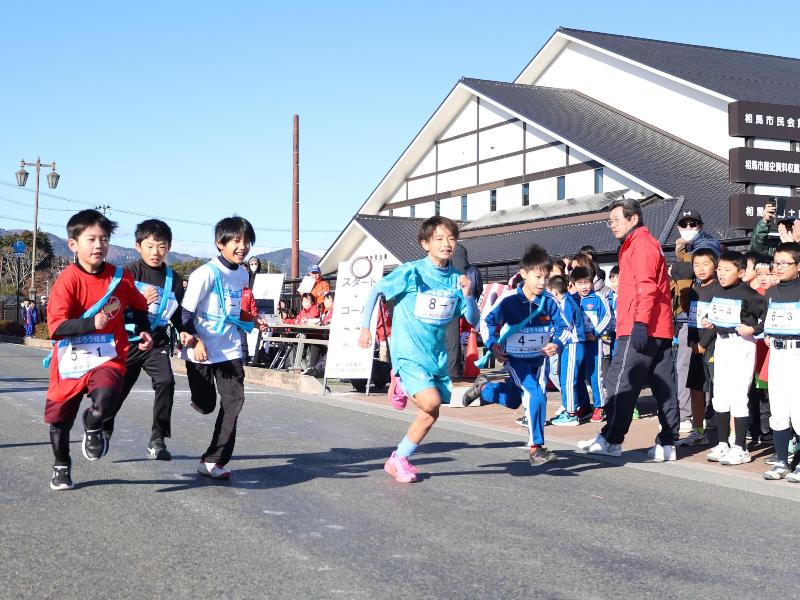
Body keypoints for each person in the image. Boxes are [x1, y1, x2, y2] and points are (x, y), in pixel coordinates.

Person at [358, 216, 479, 483]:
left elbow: (473, 319)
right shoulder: (411, 272)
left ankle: (398, 458)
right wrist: (365, 328)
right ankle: (401, 381)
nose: (446, 244)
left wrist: (468, 295)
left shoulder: (458, 280)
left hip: (434, 356)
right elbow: (375, 291)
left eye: (451, 238)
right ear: (425, 243)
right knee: (431, 402)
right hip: (408, 352)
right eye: (439, 239)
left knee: (431, 412)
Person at [44, 209, 153, 491]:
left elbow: (139, 306)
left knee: (106, 397)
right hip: (70, 359)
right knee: (59, 420)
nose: (98, 245)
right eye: (91, 239)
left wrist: (144, 330)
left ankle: (93, 424)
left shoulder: (121, 277)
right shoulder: (67, 280)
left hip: (106, 356)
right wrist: (93, 322)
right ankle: (61, 464)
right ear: (73, 244)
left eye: (103, 239)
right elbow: (55, 328)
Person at [578, 198, 679, 461]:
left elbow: (646, 287)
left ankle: (612, 438)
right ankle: (667, 443)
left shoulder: (641, 245)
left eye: (615, 220)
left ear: (633, 219)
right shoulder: (639, 244)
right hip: (657, 326)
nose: (611, 225)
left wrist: (641, 323)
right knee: (663, 385)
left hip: (639, 325)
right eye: (609, 221)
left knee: (620, 382)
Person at [461, 245, 568, 466]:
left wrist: (556, 344)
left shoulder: (549, 301)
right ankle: (536, 449)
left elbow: (565, 328)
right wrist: (492, 345)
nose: (541, 282)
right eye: (538, 277)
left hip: (538, 360)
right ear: (524, 273)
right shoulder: (509, 300)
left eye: (545, 278)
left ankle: (484, 388)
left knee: (513, 400)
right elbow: (487, 321)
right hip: (514, 359)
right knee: (535, 394)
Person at [179, 216, 267, 480]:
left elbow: (231, 308)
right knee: (206, 405)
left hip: (229, 349)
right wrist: (195, 339)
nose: (243, 247)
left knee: (234, 402)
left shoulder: (242, 274)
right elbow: (185, 313)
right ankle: (200, 401)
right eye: (237, 241)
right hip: (201, 349)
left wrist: (252, 319)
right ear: (220, 243)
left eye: (247, 241)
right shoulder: (204, 273)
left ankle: (213, 460)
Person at [103, 219, 185, 460]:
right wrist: (135, 298)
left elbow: (178, 314)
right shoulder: (127, 273)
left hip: (156, 343)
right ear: (138, 246)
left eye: (161, 246)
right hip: (128, 341)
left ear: (168, 248)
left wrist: (186, 331)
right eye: (149, 246)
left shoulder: (174, 279)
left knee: (166, 382)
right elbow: (110, 307)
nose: (155, 252)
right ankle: (105, 427)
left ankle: (158, 439)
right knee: (118, 392)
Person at [701, 251, 764, 466]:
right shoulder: (717, 289)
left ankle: (740, 447)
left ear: (741, 272)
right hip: (722, 342)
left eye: (727, 270)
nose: (721, 274)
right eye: (719, 269)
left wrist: (753, 329)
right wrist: (710, 321)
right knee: (720, 394)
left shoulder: (749, 293)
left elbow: (768, 316)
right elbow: (716, 313)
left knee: (738, 395)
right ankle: (722, 443)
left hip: (741, 344)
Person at [758, 242, 800, 480]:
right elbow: (766, 323)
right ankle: (782, 461)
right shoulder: (772, 292)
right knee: (779, 409)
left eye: (786, 263)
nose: (780, 267)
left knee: (799, 410)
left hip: (798, 353)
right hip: (777, 354)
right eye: (777, 263)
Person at [677, 248, 719, 447]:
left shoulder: (720, 289)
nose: (701, 269)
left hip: (714, 347)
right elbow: (691, 319)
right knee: (696, 390)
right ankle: (698, 430)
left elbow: (719, 320)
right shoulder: (694, 289)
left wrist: (703, 344)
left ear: (716, 265)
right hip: (695, 348)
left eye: (705, 264)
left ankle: (726, 435)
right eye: (696, 265)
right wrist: (693, 343)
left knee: (719, 390)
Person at [570, 266, 613, 422]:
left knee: (595, 375)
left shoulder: (598, 298)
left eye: (587, 282)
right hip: (577, 343)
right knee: (578, 374)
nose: (584, 286)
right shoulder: (572, 299)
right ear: (573, 284)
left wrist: (595, 333)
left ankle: (600, 407)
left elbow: (607, 316)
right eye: (580, 283)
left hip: (594, 343)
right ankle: (585, 405)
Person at [549, 274, 590, 426]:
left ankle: (570, 413)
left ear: (553, 292)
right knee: (576, 378)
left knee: (567, 379)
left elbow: (565, 326)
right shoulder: (569, 300)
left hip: (571, 344)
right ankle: (584, 406)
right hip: (574, 345)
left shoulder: (565, 303)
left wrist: (555, 341)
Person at [447, 244, 483, 379]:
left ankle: (455, 369)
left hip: (456, 311)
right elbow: (478, 291)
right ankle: (457, 368)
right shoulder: (473, 271)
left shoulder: (448, 273)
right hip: (468, 309)